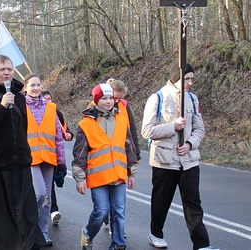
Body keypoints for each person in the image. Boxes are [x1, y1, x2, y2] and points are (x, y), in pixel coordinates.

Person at [141, 62, 219, 250]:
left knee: (193, 204)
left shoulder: (193, 99)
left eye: (192, 78)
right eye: (187, 79)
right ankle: (156, 233)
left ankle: (202, 245)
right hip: (164, 161)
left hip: (189, 161)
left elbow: (200, 129)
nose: (191, 82)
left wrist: (190, 143)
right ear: (177, 78)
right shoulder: (157, 98)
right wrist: (173, 126)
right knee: (161, 201)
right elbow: (147, 130)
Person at [0, 55, 45, 249]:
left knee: (25, 214)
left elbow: (23, 129)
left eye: (9, 69)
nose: (6, 73)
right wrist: (2, 106)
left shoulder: (20, 98)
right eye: (2, 69)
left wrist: (24, 155)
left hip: (20, 165)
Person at [73, 83, 138, 250]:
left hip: (118, 174)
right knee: (101, 211)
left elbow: (129, 147)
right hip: (98, 176)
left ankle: (118, 244)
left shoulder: (122, 120)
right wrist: (80, 178)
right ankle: (88, 233)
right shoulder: (86, 124)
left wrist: (131, 172)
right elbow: (79, 155)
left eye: (111, 98)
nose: (109, 101)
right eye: (104, 98)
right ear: (96, 100)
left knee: (118, 212)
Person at [24, 74, 67, 247]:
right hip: (30, 159)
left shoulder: (51, 107)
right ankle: (30, 229)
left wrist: (62, 162)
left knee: (47, 198)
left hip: (49, 158)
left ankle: (43, 233)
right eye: (32, 85)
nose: (36, 88)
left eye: (38, 85)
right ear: (25, 87)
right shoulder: (21, 106)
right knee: (39, 193)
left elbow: (58, 137)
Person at [41, 89, 73, 225]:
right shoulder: (38, 114)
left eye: (50, 99)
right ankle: (52, 210)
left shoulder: (57, 114)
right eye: (45, 99)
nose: (48, 101)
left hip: (55, 153)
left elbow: (66, 130)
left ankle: (52, 210)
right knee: (45, 187)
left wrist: (69, 135)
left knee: (53, 182)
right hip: (41, 154)